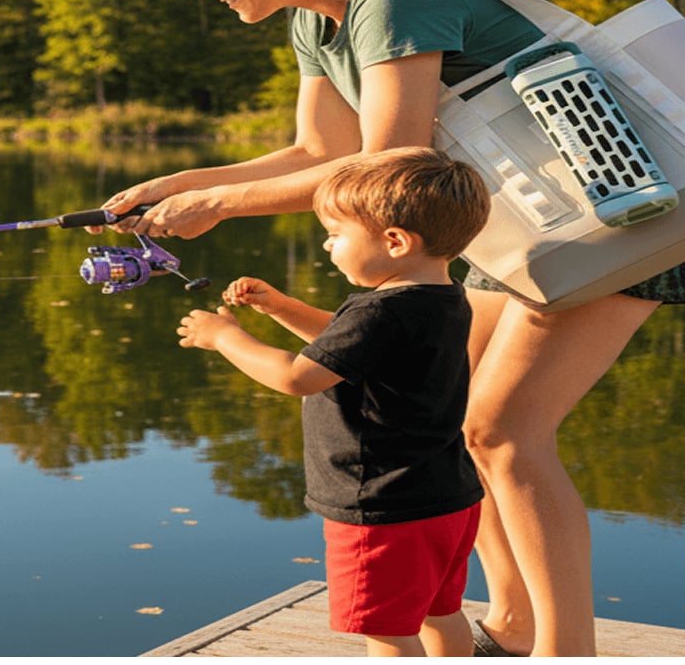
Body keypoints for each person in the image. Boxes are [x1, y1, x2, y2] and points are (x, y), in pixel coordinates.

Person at [110, 0, 685, 656]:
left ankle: (569, 652)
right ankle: (509, 626)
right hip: (526, 230)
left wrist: (222, 207)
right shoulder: (314, 25)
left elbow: (392, 160)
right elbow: (321, 152)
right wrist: (182, 185)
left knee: (504, 434)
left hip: (614, 217)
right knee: (460, 427)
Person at [176, 147, 490, 657]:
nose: (327, 246)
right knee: (440, 612)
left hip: (383, 504)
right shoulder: (440, 298)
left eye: (336, 234)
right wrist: (282, 307)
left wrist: (225, 338)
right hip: (445, 496)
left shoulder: (377, 312)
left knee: (388, 630)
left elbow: (298, 376)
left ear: (394, 241)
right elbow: (349, 348)